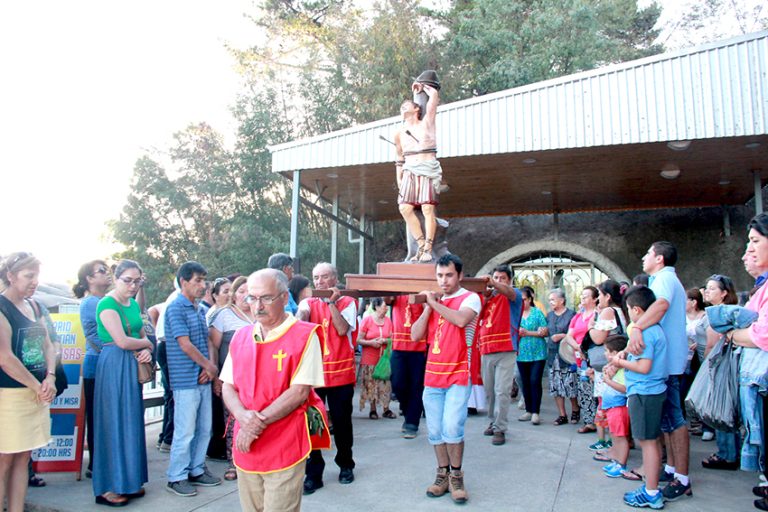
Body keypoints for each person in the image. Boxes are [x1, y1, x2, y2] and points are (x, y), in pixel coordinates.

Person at [221, 269, 329, 512]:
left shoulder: (305, 335)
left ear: (284, 297)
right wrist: (243, 417)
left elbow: (299, 392)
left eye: (266, 298)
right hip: (246, 442)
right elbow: (227, 385)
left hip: (283, 440)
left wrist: (254, 424)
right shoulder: (241, 336)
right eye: (252, 298)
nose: (258, 306)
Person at [411, 254, 481, 504]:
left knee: (452, 426)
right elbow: (415, 335)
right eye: (439, 276)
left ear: (459, 275)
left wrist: (435, 302)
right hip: (433, 375)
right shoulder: (435, 302)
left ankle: (456, 475)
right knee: (435, 429)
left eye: (449, 275)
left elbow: (461, 320)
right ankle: (442, 474)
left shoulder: (470, 298)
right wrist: (428, 307)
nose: (444, 280)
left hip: (459, 373)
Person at [629, 242, 691, 502]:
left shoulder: (664, 278)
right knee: (667, 421)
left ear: (660, 258)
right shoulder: (663, 278)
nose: (644, 257)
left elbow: (661, 304)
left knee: (675, 421)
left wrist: (637, 328)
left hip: (669, 364)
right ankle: (671, 469)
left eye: (648, 253)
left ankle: (682, 478)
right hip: (666, 363)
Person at [91, 259, 154, 506]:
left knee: (130, 420)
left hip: (131, 364)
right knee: (113, 422)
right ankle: (108, 486)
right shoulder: (107, 304)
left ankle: (128, 481)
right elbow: (122, 341)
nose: (133, 285)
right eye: (127, 280)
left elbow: (141, 333)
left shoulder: (132, 303)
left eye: (137, 281)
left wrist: (146, 349)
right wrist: (147, 345)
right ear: (116, 279)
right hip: (114, 365)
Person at [0, 253, 56, 512]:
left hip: (36, 394)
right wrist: (38, 386)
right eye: (29, 276)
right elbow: (5, 358)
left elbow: (49, 344)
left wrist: (50, 377)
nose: (34, 281)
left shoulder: (34, 306)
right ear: (11, 276)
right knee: (4, 459)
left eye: (37, 276)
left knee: (23, 457)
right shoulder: (2, 308)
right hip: (9, 396)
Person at [296, 262, 357, 494]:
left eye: (324, 277)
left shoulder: (348, 302)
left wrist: (331, 303)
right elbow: (300, 321)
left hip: (341, 374)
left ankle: (345, 464)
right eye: (316, 277)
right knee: (313, 423)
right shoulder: (308, 302)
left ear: (335, 278)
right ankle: (314, 474)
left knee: (342, 423)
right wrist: (302, 312)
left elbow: (342, 329)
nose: (319, 282)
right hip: (315, 374)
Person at [164, 261, 221, 497]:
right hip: (185, 379)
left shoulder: (199, 309)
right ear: (183, 282)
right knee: (185, 430)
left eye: (204, 280)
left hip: (203, 378)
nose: (203, 285)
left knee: (204, 428)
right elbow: (184, 344)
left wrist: (210, 369)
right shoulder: (175, 308)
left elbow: (207, 340)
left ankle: (196, 469)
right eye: (198, 280)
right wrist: (209, 366)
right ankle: (177, 476)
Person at [612, 285, 668, 509]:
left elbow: (644, 367)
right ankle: (651, 487)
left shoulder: (645, 332)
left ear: (636, 310)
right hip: (650, 391)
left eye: (628, 309)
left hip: (645, 392)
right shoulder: (655, 328)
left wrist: (619, 362)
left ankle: (651, 492)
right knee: (651, 441)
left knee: (647, 443)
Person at [208, 275, 254, 481]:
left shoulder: (260, 314)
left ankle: (252, 459)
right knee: (232, 419)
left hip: (256, 379)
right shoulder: (223, 315)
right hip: (231, 379)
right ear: (234, 294)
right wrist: (216, 377)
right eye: (241, 291)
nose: (246, 296)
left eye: (249, 292)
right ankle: (233, 462)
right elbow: (213, 346)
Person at [394, 78, 442, 262]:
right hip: (409, 171)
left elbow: (433, 98)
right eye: (401, 107)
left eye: (407, 105)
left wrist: (422, 86)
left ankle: (429, 247)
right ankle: (421, 245)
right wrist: (399, 178)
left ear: (416, 109)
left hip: (427, 168)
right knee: (404, 207)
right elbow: (399, 157)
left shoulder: (427, 123)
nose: (403, 107)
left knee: (428, 208)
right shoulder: (399, 132)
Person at [72, 260, 111, 479]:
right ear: (89, 278)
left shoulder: (103, 301)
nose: (107, 274)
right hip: (97, 366)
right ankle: (96, 465)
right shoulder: (91, 303)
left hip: (103, 364)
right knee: (98, 418)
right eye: (101, 271)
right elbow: (97, 338)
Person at [476, 265, 522, 446]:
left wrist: (493, 284)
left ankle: (500, 428)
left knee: (502, 391)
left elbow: (508, 292)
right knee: (489, 391)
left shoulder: (514, 294)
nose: (498, 281)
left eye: (503, 278)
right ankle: (493, 421)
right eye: (496, 277)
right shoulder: (487, 297)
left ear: (509, 280)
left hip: (506, 348)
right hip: (486, 349)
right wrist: (484, 294)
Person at [700, 274, 740, 466]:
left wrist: (706, 367)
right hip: (723, 364)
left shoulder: (720, 313)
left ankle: (727, 454)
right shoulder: (721, 311)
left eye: (712, 288)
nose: (707, 291)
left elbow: (713, 343)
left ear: (724, 293)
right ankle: (730, 452)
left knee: (721, 408)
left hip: (720, 366)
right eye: (707, 288)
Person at [584, 280, 627, 451]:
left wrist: (590, 326)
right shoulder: (621, 310)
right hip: (619, 362)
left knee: (606, 403)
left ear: (608, 296)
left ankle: (609, 442)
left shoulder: (609, 311)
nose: (598, 299)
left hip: (609, 363)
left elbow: (598, 338)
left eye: (600, 295)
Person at [147, 284, 180, 453]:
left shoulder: (175, 298)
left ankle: (165, 438)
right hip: (169, 347)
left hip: (165, 346)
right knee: (174, 396)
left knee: (170, 396)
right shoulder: (178, 299)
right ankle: (168, 438)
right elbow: (151, 310)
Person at [563, 286, 600, 433]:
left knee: (597, 390)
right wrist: (578, 347)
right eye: (582, 295)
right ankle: (589, 421)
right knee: (584, 390)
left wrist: (585, 348)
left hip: (594, 358)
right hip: (580, 358)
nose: (582, 298)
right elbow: (569, 335)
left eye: (586, 296)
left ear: (595, 299)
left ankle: (601, 422)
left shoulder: (598, 315)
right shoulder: (578, 316)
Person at [389, 294, 426, 439]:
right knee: (397, 385)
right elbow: (387, 299)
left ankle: (412, 422)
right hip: (398, 347)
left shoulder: (422, 291)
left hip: (419, 347)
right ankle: (407, 412)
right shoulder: (397, 291)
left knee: (417, 387)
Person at [598, 334, 631, 479]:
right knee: (614, 435)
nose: (605, 354)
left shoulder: (623, 371)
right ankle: (616, 459)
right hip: (612, 407)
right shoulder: (615, 368)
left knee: (620, 437)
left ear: (615, 353)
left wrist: (608, 381)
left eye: (607, 351)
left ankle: (621, 464)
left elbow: (624, 388)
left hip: (619, 407)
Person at [356, 298, 395, 419]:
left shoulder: (388, 321)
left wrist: (386, 341)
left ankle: (386, 408)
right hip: (369, 359)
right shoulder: (367, 320)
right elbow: (358, 340)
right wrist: (371, 343)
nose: (386, 308)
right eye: (384, 306)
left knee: (385, 384)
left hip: (384, 359)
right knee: (371, 384)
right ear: (376, 307)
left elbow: (393, 338)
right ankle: (373, 410)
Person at [515, 287, 548, 425]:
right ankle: (528, 410)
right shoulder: (515, 313)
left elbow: (544, 332)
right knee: (525, 382)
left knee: (535, 380)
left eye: (524, 299)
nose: (522, 302)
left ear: (529, 299)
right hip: (521, 353)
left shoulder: (537, 313)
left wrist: (528, 333)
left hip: (537, 353)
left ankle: (535, 412)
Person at [546, 288, 578, 426]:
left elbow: (576, 333)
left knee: (570, 384)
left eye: (553, 299)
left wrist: (562, 336)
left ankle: (575, 410)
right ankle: (562, 414)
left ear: (562, 300)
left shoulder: (571, 315)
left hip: (567, 354)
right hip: (553, 354)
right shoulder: (549, 315)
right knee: (555, 385)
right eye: (549, 300)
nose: (550, 302)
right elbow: (547, 330)